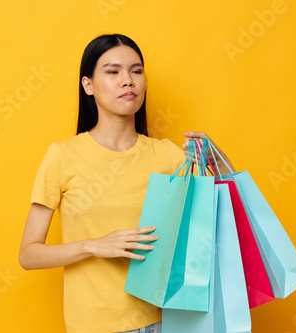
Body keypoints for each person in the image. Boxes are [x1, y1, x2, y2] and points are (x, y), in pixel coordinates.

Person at [19, 33, 235, 333]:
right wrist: (93, 246)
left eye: (136, 71)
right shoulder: (62, 157)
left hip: (165, 320)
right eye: (113, 71)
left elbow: (225, 220)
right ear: (88, 85)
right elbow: (29, 254)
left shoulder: (169, 155)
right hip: (94, 325)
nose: (128, 80)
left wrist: (217, 159)